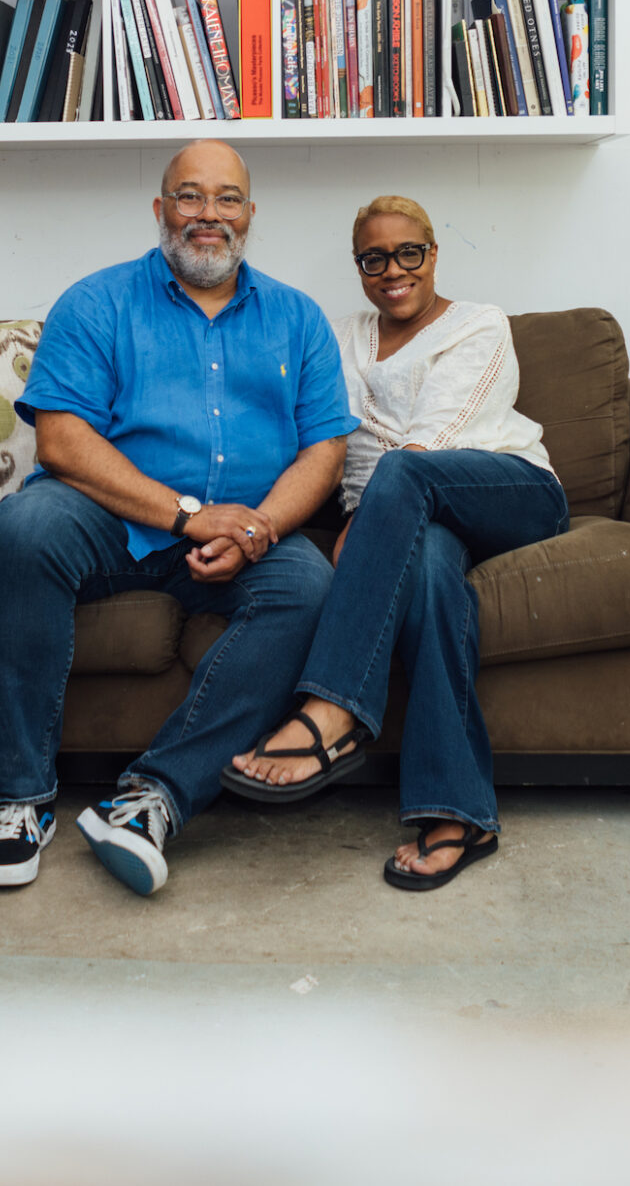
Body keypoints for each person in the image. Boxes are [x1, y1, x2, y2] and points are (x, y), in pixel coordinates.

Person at [0, 140, 357, 896]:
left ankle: (153, 798)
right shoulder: (98, 301)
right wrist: (190, 518)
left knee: (308, 587)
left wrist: (256, 531)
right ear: (159, 210)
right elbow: (63, 439)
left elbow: (324, 451)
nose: (207, 215)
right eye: (189, 196)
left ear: (250, 216)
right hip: (111, 517)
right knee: (21, 532)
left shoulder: (297, 318)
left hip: (243, 530)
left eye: (226, 199)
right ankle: (21, 799)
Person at [225, 195, 567, 891]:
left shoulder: (479, 325)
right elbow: (326, 434)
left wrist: (373, 509)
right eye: (373, 258)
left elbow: (434, 437)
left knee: (406, 470)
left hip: (508, 490)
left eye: (408, 253)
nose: (393, 270)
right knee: (434, 577)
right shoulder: (339, 335)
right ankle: (459, 815)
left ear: (433, 254)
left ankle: (333, 708)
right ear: (359, 267)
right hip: (417, 518)